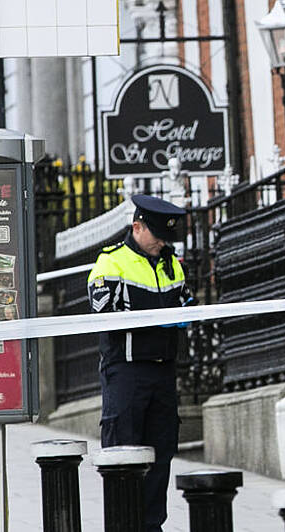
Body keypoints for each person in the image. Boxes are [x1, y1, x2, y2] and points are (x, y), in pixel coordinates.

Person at [88, 194, 196, 532]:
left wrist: (187, 313)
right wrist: (155, 320)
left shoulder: (171, 263)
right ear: (137, 226)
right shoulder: (111, 262)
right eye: (158, 235)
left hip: (163, 371)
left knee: (160, 452)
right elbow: (104, 313)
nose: (163, 242)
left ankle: (151, 525)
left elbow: (184, 300)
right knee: (124, 451)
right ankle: (123, 524)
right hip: (127, 371)